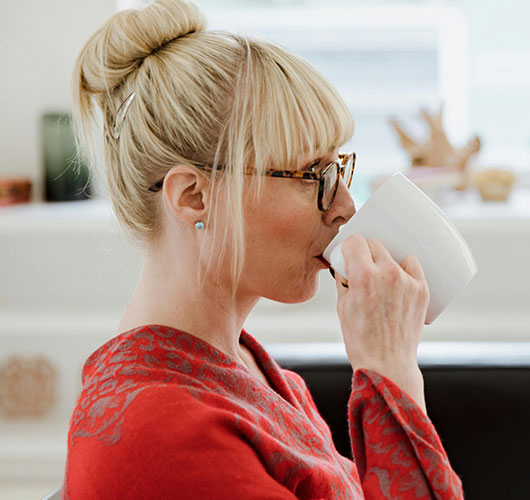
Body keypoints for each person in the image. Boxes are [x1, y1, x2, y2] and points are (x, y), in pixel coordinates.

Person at [64, 0, 463, 498]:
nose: (344, 208)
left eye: (339, 170)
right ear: (193, 197)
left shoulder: (251, 370)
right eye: (312, 175)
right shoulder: (163, 433)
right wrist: (389, 373)